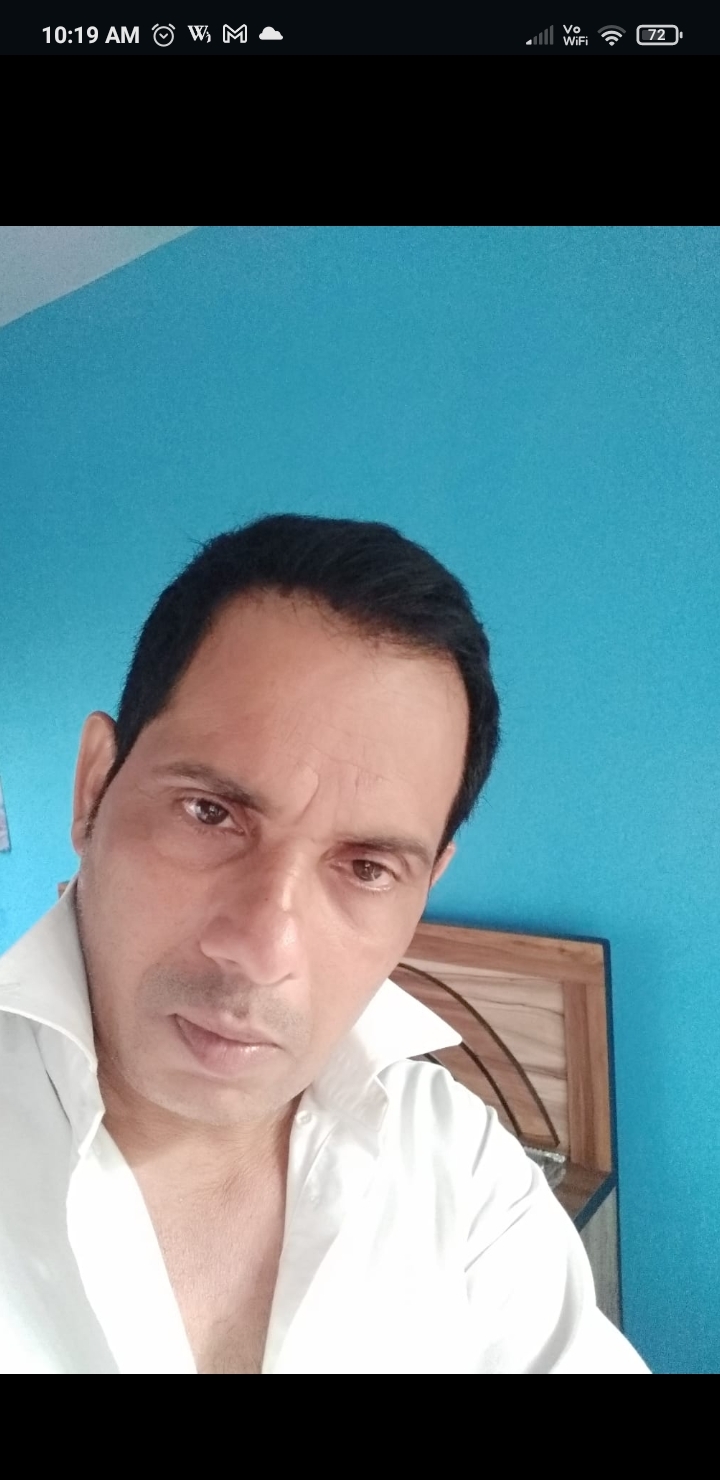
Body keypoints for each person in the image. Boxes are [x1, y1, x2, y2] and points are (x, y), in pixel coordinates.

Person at [0, 513, 650, 1374]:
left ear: (425, 888)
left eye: (367, 867)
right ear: (93, 789)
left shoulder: (461, 1174)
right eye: (210, 813)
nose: (262, 948)